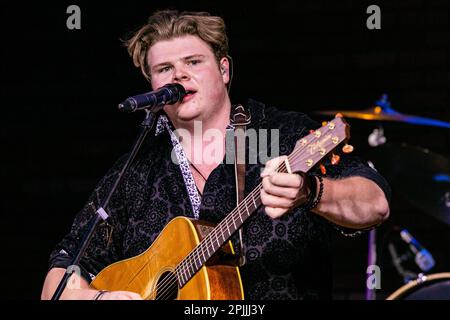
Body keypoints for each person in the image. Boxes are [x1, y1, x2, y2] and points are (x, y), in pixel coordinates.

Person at [41, 10, 390, 300]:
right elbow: (60, 275)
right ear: (153, 85)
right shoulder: (136, 169)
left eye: (193, 61)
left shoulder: (280, 134)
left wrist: (312, 192)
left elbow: (375, 204)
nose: (179, 74)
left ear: (224, 70)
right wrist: (98, 298)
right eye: (164, 69)